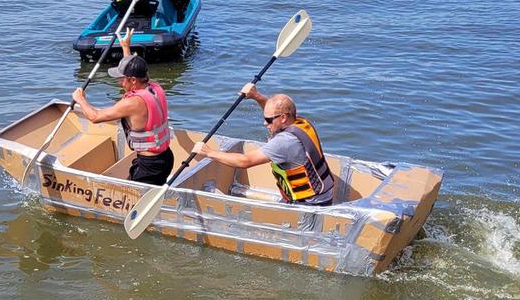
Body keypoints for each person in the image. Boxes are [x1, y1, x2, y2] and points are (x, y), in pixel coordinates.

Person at [191, 86, 335, 205]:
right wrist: (256, 96)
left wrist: (208, 152)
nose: (265, 123)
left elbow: (245, 161)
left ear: (284, 117)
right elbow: (274, 113)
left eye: (268, 120)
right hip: (323, 195)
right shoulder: (301, 123)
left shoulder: (283, 142)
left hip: (310, 204)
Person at [71, 52, 173, 185]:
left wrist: (80, 99)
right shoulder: (154, 87)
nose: (120, 83)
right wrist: (126, 49)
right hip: (166, 158)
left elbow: (95, 117)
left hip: (149, 167)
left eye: (122, 78)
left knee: (133, 203)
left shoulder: (133, 102)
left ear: (133, 80)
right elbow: (135, 71)